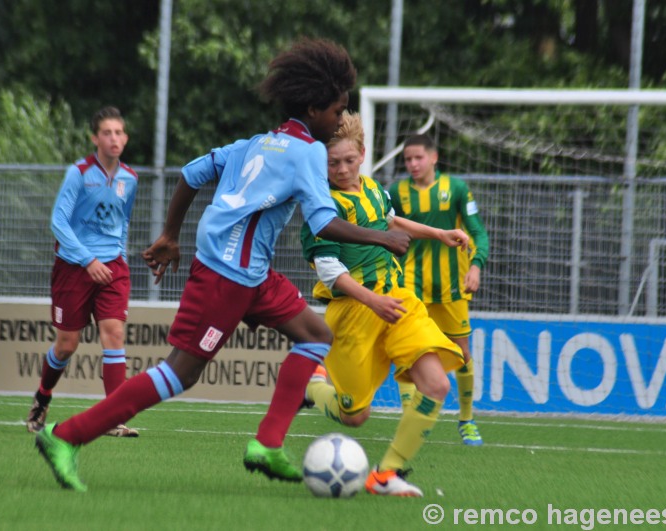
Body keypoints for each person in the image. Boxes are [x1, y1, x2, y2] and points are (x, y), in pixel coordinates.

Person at [33, 37, 411, 492]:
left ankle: (267, 446)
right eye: (337, 110)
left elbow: (190, 175)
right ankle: (64, 436)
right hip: (226, 277)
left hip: (249, 274)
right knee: (179, 373)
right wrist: (382, 237)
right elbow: (325, 222)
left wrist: (172, 235)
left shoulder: (254, 144)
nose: (340, 120)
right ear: (313, 109)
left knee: (315, 336)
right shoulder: (309, 151)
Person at [301, 111, 468, 497]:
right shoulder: (321, 207)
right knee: (354, 415)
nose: (341, 169)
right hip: (355, 310)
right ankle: (312, 387)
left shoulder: (375, 189)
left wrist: (439, 233)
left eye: (348, 160)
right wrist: (371, 300)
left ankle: (385, 474)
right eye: (332, 163)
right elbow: (329, 271)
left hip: (398, 300)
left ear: (362, 154)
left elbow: (392, 222)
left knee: (437, 384)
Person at [25, 106, 140, 438]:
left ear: (126, 138)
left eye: (119, 132)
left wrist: (116, 255)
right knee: (67, 345)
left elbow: (123, 222)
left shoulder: (130, 178)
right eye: (107, 132)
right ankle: (42, 398)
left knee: (114, 336)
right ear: (95, 138)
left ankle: (113, 418)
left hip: (113, 267)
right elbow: (58, 223)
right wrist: (88, 260)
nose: (114, 138)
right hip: (75, 267)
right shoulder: (78, 172)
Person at [388, 133, 490, 446]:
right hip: (410, 285)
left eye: (418, 157)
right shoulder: (397, 192)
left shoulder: (456, 189)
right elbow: (385, 230)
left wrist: (476, 265)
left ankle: (467, 419)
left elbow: (477, 232)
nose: (413, 164)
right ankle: (411, 415)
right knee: (409, 351)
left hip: (451, 287)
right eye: (407, 159)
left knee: (461, 354)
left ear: (434, 157)